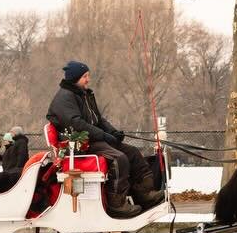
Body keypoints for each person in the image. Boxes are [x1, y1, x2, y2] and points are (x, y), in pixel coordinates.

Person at [46, 61, 161, 217]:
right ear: (74, 78)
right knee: (119, 159)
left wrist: (113, 132)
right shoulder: (64, 98)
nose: (88, 79)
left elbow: (98, 119)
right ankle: (117, 205)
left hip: (94, 139)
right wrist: (103, 135)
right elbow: (77, 124)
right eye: (85, 76)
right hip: (80, 145)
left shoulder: (84, 94)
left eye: (88, 76)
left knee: (132, 152)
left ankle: (144, 195)